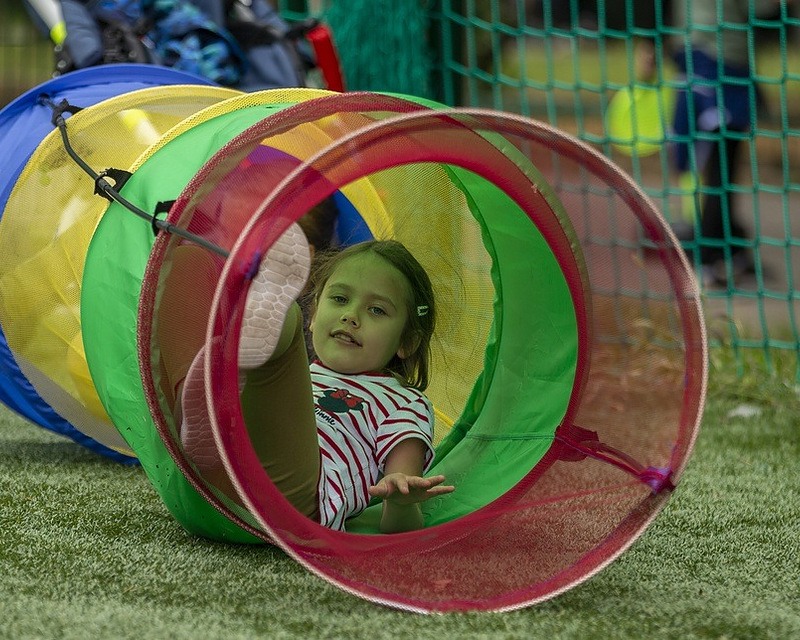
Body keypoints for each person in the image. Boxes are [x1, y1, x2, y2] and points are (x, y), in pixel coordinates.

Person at [174, 225, 454, 533]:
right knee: (189, 263)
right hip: (217, 487)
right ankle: (204, 412)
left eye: (376, 310)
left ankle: (258, 318)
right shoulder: (302, 375)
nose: (351, 316)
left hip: (295, 500)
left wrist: (402, 502)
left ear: (407, 342)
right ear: (315, 314)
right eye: (339, 298)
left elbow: (400, 501)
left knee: (283, 326)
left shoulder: (404, 402)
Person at [668, 0, 785, 286]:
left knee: (718, 163)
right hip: (717, 60)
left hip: (701, 55)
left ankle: (728, 250)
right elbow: (763, 8)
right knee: (720, 164)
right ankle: (709, 259)